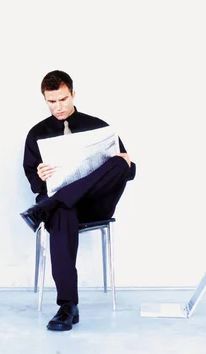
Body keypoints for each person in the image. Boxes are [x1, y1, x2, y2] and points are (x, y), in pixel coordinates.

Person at [21, 70, 136, 331]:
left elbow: (129, 171)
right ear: (44, 100)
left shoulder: (98, 126)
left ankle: (46, 208)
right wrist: (39, 176)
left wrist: (125, 162)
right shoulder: (36, 134)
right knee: (62, 210)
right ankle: (67, 307)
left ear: (73, 94)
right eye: (52, 102)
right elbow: (33, 182)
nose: (58, 107)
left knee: (120, 162)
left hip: (96, 203)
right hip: (64, 207)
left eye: (63, 99)